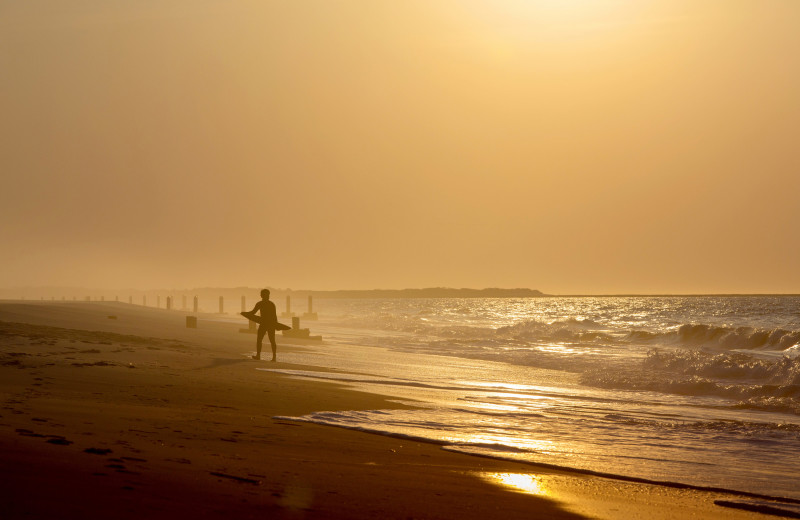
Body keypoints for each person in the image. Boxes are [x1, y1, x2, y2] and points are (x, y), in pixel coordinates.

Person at [247, 289, 278, 361]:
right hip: (267, 324)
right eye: (266, 295)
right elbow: (253, 312)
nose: (268, 296)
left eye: (268, 295)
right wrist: (246, 313)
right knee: (266, 340)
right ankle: (271, 357)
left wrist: (246, 314)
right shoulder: (269, 304)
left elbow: (252, 313)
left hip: (266, 323)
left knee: (268, 340)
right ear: (262, 295)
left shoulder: (265, 304)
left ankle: (272, 357)